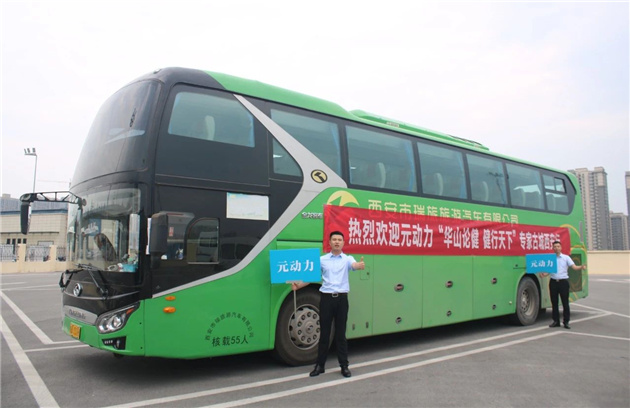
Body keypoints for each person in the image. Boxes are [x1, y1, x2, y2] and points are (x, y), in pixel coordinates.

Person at [292, 230, 365, 378]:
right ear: (330, 242)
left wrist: (359, 265)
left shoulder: (347, 259)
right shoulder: (322, 260)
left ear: (343, 243)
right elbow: (311, 277)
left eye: (339, 240)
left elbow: (354, 265)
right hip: (326, 299)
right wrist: (298, 285)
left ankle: (344, 366)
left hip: (341, 299)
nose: (337, 242)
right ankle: (320, 366)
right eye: (334, 239)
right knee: (324, 334)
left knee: (340, 334)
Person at [546, 240, 586, 329]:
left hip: (563, 282)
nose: (556, 248)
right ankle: (556, 321)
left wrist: (581, 267)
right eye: (555, 247)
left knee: (565, 303)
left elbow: (574, 267)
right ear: (553, 248)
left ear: (561, 248)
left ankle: (566, 322)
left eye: (558, 246)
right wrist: (543, 274)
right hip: (553, 282)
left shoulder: (566, 258)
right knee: (554, 303)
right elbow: (548, 271)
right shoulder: (551, 258)